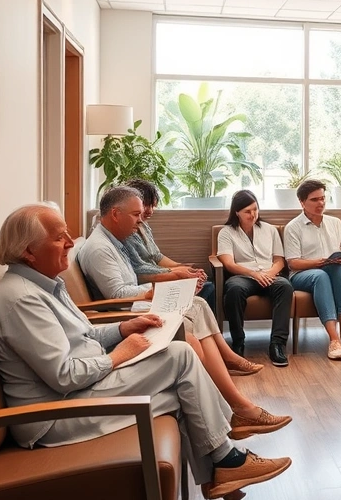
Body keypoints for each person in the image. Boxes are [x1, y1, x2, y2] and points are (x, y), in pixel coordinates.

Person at [0, 203, 292, 500]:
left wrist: (123, 328)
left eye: (67, 234)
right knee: (181, 356)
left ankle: (225, 467)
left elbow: (85, 333)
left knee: (184, 390)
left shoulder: (46, 284)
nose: (69, 242)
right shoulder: (22, 300)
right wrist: (118, 355)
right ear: (28, 251)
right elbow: (64, 376)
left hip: (80, 389)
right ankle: (228, 457)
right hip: (55, 415)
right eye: (59, 237)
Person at [79, 186, 283, 431]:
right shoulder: (100, 248)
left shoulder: (115, 240)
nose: (140, 220)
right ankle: (237, 405)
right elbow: (118, 295)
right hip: (128, 313)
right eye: (136, 215)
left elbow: (141, 271)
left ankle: (229, 372)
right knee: (191, 320)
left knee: (198, 303)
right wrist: (157, 289)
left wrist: (170, 280)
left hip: (138, 303)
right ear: (115, 214)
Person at [283, 179, 341, 361]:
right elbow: (293, 263)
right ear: (302, 202)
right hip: (302, 275)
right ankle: (334, 339)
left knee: (338, 270)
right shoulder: (293, 227)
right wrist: (319, 262)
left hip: (331, 270)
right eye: (314, 200)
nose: (320, 203)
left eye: (322, 198)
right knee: (321, 275)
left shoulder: (335, 222)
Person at [216, 190, 294, 367]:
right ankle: (238, 343)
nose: (253, 215)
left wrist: (269, 274)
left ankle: (277, 345)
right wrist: (254, 274)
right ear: (237, 212)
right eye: (247, 211)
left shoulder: (270, 230)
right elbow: (229, 264)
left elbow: (279, 260)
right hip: (242, 276)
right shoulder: (226, 232)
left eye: (255, 209)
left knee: (285, 286)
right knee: (234, 290)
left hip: (269, 274)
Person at [121, 178, 217, 315]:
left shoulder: (144, 227)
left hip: (158, 275)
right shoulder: (127, 232)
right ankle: (187, 322)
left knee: (208, 283)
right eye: (147, 205)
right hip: (147, 284)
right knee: (206, 288)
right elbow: (139, 270)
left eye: (153, 206)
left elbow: (157, 256)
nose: (150, 211)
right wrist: (176, 273)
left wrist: (182, 267)